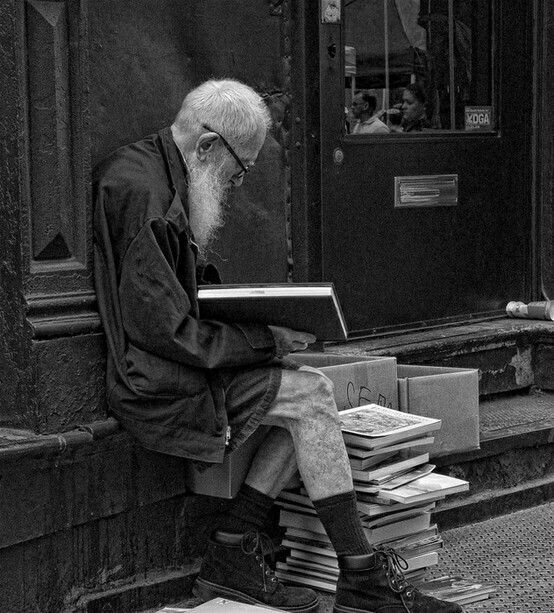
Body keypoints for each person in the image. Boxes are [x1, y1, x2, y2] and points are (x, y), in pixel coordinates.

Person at [93, 78, 463, 613]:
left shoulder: (152, 172)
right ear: (206, 146)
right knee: (310, 396)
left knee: (304, 396)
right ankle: (360, 579)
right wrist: (266, 337)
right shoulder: (148, 195)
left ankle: (233, 554)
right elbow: (166, 332)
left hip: (167, 364)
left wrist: (260, 328)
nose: (238, 184)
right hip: (156, 383)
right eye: (239, 169)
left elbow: (171, 308)